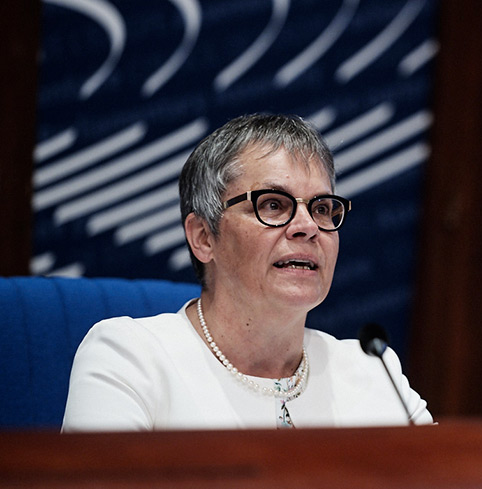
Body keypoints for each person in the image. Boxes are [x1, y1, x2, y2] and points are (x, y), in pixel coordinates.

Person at [63, 114, 433, 430]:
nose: (307, 226)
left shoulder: (370, 371)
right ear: (204, 237)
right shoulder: (130, 359)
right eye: (273, 204)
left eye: (321, 208)